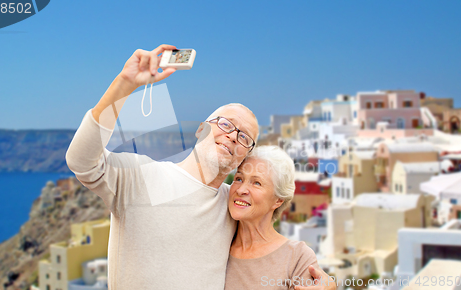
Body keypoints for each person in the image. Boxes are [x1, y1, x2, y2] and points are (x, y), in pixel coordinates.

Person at [66, 44, 335, 290]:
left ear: (244, 156)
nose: (232, 135)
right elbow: (81, 161)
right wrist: (124, 84)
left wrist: (329, 285)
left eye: (244, 137)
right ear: (200, 129)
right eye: (226, 124)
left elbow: (271, 249)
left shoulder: (233, 205)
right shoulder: (141, 176)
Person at [225, 146, 331, 289]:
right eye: (238, 178)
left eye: (257, 183)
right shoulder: (218, 243)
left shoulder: (297, 257)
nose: (241, 190)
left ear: (278, 200)